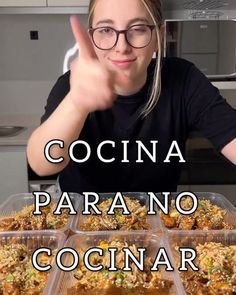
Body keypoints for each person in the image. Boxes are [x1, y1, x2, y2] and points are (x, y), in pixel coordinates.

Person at [27, 0, 236, 194]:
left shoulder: (184, 80)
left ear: (158, 36)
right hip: (83, 223)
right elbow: (41, 164)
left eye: (137, 29)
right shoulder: (70, 85)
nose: (122, 47)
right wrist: (76, 104)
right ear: (92, 37)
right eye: (106, 30)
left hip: (157, 223)